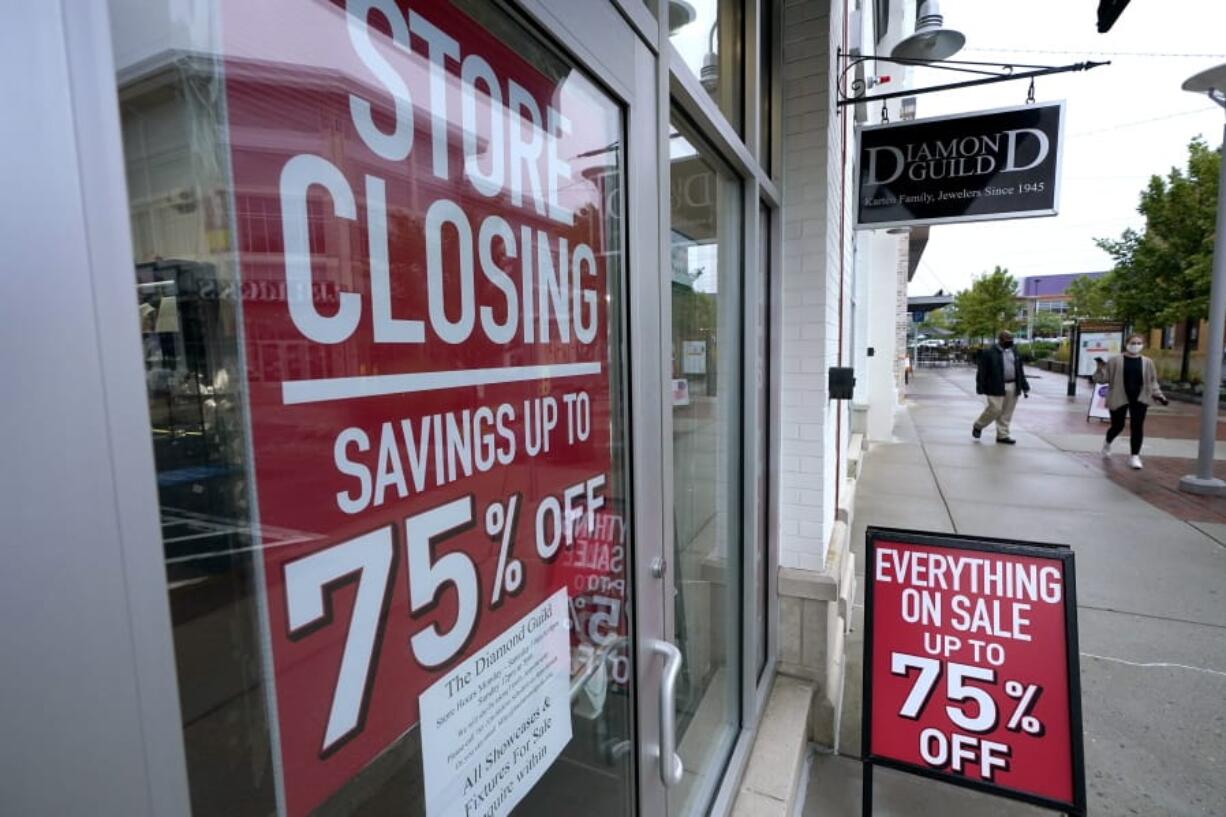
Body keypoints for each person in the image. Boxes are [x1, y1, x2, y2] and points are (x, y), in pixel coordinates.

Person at [1093, 333, 1169, 469]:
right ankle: (1107, 442)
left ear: (1143, 345)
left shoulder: (1147, 362)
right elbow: (1102, 379)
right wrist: (1099, 368)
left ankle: (1134, 456)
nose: (1135, 346)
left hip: (1140, 398)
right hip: (1119, 396)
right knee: (1118, 425)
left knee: (1137, 426)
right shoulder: (1115, 360)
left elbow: (1152, 382)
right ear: (1126, 344)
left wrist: (1160, 395)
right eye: (1133, 343)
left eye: (1139, 343)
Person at [973, 330, 1030, 445]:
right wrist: (980, 386)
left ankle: (1002, 435)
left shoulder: (1015, 351)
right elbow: (982, 371)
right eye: (1007, 340)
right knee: (995, 409)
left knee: (1007, 412)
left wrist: (1024, 385)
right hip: (995, 385)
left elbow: (1020, 370)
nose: (1009, 342)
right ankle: (979, 425)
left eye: (1011, 340)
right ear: (1000, 340)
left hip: (1013, 384)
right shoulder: (989, 352)